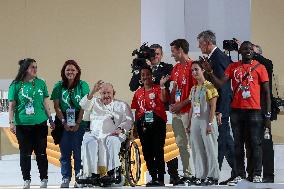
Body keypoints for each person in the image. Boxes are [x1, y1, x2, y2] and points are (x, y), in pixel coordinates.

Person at [201, 41, 271, 185]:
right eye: (245, 48)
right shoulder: (233, 67)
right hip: (237, 111)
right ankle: (240, 173)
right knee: (238, 144)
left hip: (254, 111)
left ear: (253, 51)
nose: (248, 50)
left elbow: (266, 93)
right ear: (240, 51)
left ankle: (256, 173)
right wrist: (209, 72)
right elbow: (220, 83)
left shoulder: (260, 67)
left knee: (255, 144)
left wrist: (268, 115)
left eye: (250, 48)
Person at [129, 43, 180, 184]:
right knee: (149, 150)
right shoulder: (142, 68)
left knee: (168, 148)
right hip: (144, 114)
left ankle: (173, 175)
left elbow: (158, 81)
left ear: (161, 55)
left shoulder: (167, 68)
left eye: (157, 54)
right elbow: (133, 85)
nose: (154, 56)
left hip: (163, 112)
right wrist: (141, 68)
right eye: (152, 54)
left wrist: (149, 69)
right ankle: (155, 178)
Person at [8, 58, 55, 189]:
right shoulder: (15, 85)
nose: (35, 69)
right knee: (25, 153)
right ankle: (26, 180)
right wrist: (11, 122)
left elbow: (46, 103)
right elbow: (11, 107)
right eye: (32, 67)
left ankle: (44, 179)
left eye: (36, 67)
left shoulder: (41, 83)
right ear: (25, 69)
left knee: (41, 152)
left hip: (40, 124)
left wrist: (50, 119)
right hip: (22, 125)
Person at [197, 30, 237, 185]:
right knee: (225, 140)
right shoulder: (214, 56)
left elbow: (223, 86)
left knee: (221, 140)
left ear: (207, 42)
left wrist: (219, 109)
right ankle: (237, 172)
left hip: (221, 107)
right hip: (219, 106)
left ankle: (215, 175)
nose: (199, 47)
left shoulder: (218, 57)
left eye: (200, 44)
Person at [79, 81, 133, 186]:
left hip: (114, 135)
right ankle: (92, 174)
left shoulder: (122, 105)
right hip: (95, 134)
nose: (106, 95)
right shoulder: (94, 102)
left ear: (114, 93)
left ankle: (112, 172)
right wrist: (92, 91)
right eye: (103, 93)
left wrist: (120, 129)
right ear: (100, 94)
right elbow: (83, 105)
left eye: (109, 93)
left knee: (112, 141)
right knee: (88, 140)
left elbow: (129, 120)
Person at [50, 60, 90, 188]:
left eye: (73, 69)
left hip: (80, 119)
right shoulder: (58, 86)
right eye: (68, 69)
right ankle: (66, 178)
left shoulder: (83, 85)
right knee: (65, 152)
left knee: (78, 152)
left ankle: (79, 178)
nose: (70, 72)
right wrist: (63, 122)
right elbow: (56, 106)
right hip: (63, 120)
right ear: (64, 72)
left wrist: (78, 122)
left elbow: (84, 106)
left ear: (77, 71)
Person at [131, 65, 169, 186]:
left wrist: (163, 86)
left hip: (158, 123)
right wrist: (135, 127)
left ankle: (161, 178)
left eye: (148, 74)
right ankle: (153, 177)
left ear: (152, 76)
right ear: (140, 78)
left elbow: (163, 100)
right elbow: (136, 111)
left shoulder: (158, 88)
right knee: (147, 152)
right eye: (143, 75)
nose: (145, 76)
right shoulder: (137, 93)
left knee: (158, 150)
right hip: (143, 125)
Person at [245, 44, 274, 183]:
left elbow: (267, 62)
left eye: (252, 51)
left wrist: (267, 116)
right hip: (252, 112)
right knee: (251, 144)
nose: (249, 53)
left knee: (265, 144)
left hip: (264, 112)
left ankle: (268, 175)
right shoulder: (248, 67)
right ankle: (251, 173)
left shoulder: (266, 65)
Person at [187, 60, 219, 185]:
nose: (194, 72)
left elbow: (213, 106)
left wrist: (210, 124)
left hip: (206, 120)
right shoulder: (194, 88)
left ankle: (213, 176)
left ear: (202, 70)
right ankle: (200, 175)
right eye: (192, 70)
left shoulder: (209, 86)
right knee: (197, 149)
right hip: (195, 121)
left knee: (210, 149)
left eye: (196, 69)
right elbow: (191, 108)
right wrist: (189, 124)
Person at [169, 39, 195, 184]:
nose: (172, 54)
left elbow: (196, 92)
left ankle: (196, 174)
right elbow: (174, 89)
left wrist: (181, 105)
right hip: (177, 113)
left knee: (191, 144)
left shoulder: (193, 66)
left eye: (173, 51)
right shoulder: (176, 68)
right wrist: (173, 104)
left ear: (180, 50)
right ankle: (187, 174)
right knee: (180, 144)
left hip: (189, 112)